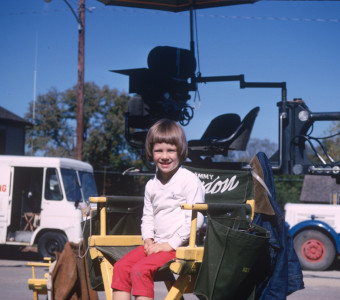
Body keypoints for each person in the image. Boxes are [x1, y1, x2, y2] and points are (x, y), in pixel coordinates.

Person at [111, 119, 205, 300]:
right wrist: (147, 238)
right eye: (158, 150)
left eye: (171, 150)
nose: (164, 156)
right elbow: (147, 216)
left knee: (141, 269)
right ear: (151, 152)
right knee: (121, 267)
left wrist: (169, 244)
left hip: (179, 246)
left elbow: (196, 219)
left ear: (180, 151)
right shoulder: (151, 185)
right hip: (156, 245)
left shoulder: (189, 180)